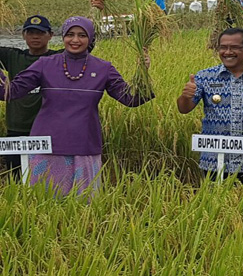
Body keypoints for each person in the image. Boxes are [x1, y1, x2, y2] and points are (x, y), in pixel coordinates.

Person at [0, 17, 153, 197]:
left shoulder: (103, 68)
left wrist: (143, 72)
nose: (75, 40)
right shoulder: (44, 64)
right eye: (70, 34)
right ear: (63, 36)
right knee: (44, 205)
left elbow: (130, 99)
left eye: (82, 35)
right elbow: (11, 92)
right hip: (47, 147)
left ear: (90, 38)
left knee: (83, 210)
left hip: (84, 147)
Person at [177, 28, 243, 181]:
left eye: (234, 47)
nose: (227, 52)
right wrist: (185, 96)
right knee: (213, 202)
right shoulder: (205, 76)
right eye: (223, 47)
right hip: (213, 161)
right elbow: (184, 109)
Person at [0, 15, 60, 179]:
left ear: (51, 35)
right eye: (31, 32)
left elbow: (85, 47)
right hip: (16, 130)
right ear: (23, 35)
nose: (35, 36)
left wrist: (95, 13)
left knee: (46, 179)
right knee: (16, 178)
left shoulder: (58, 58)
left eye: (40, 33)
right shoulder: (13, 56)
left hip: (46, 130)